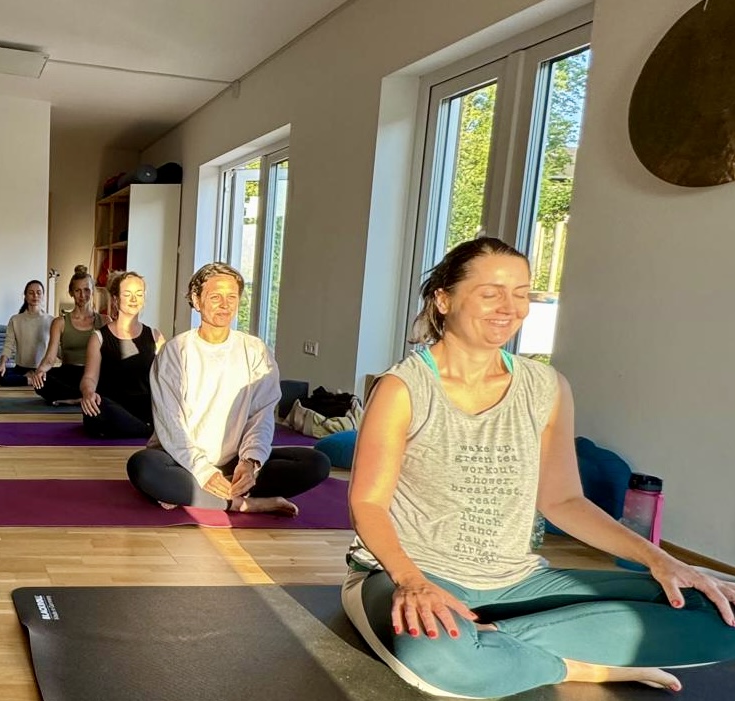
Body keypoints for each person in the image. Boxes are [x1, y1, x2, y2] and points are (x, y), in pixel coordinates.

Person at [345, 239, 735, 698]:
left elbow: (563, 501)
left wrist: (662, 560)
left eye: (521, 293)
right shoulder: (403, 388)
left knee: (716, 603)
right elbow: (368, 503)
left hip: (517, 582)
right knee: (439, 659)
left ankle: (493, 644)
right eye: (490, 293)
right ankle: (579, 665)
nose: (510, 308)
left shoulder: (546, 386)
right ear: (444, 299)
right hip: (408, 574)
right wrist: (411, 581)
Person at [127, 263, 330, 514]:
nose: (225, 305)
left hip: (234, 461)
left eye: (231, 297)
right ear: (196, 300)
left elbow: (261, 416)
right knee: (142, 467)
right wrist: (203, 471)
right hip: (181, 461)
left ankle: (213, 493)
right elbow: (171, 425)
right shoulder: (176, 352)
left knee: (316, 463)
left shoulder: (255, 350)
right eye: (215, 297)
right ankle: (244, 503)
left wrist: (250, 462)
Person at [80, 271, 165, 438]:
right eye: (127, 294)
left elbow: (165, 379)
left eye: (139, 294)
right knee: (97, 408)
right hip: (110, 407)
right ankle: (148, 431)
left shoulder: (155, 336)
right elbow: (89, 377)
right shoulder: (99, 337)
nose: (134, 299)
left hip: (143, 407)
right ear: (116, 299)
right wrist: (88, 393)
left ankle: (141, 428)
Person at [30, 266, 105, 404]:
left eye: (86, 290)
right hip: (69, 373)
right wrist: (40, 371)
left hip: (95, 374)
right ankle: (83, 398)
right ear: (71, 292)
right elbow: (50, 358)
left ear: (93, 291)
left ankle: (74, 398)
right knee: (42, 380)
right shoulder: (60, 322)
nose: (82, 295)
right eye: (77, 290)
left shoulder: (105, 321)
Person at [0, 280, 52, 386]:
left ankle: (34, 379)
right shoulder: (15, 319)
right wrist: (2, 364)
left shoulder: (51, 321)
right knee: (1, 376)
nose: (35, 296)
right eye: (31, 293)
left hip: (42, 369)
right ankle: (31, 380)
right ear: (25, 296)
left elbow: (57, 348)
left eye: (38, 293)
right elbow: (8, 345)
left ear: (43, 296)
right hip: (21, 369)